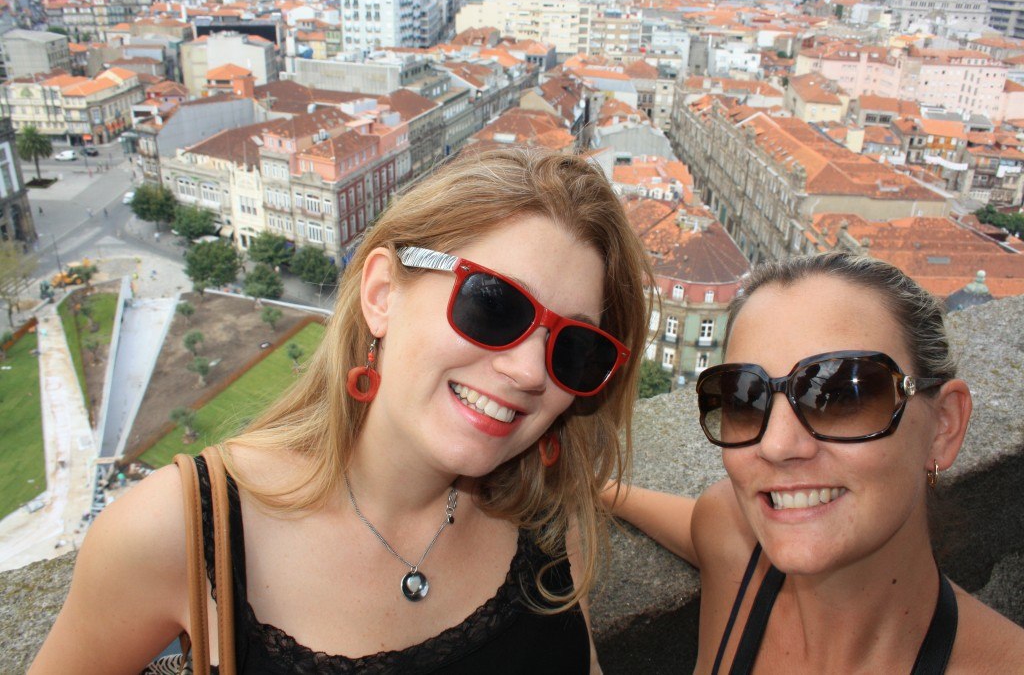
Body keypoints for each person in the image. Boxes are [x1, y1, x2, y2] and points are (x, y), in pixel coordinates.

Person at [31, 149, 653, 673]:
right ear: (382, 294)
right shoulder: (177, 531)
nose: (526, 371)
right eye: (494, 305)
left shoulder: (548, 517)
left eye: (574, 348)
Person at [603, 253, 1024, 673]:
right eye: (745, 398)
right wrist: (596, 489)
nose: (777, 445)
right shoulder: (731, 538)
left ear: (943, 426)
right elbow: (701, 526)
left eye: (843, 396)